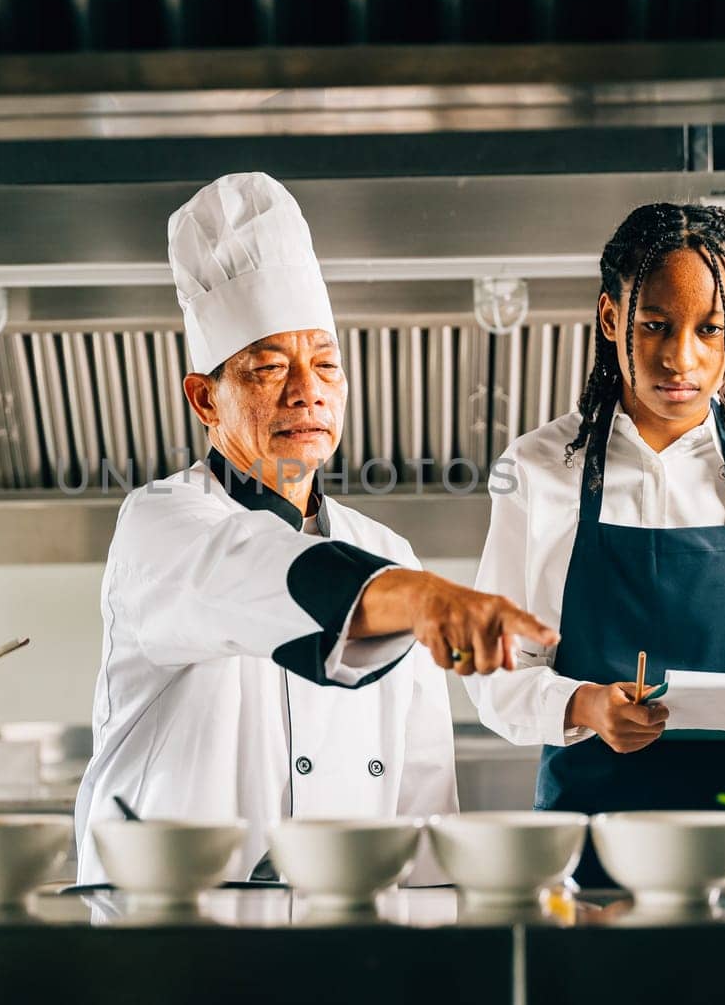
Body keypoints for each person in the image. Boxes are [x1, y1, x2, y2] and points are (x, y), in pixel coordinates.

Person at [74, 172, 559, 885]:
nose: (308, 390)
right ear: (204, 397)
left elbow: (424, 807)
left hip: (343, 944)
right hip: (176, 938)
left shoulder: (391, 555)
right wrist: (421, 599)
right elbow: (253, 567)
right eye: (270, 367)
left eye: (326, 364)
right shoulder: (162, 524)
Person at [465, 202, 725, 889]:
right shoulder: (539, 468)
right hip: (589, 862)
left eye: (709, 330)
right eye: (655, 324)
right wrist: (588, 705)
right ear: (609, 318)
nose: (680, 358)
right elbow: (499, 673)